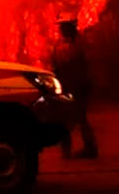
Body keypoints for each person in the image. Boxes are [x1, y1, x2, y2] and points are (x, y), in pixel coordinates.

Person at [52, 16, 99, 159]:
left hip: (79, 86)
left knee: (78, 118)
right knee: (67, 118)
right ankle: (71, 149)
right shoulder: (60, 43)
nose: (61, 30)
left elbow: (82, 64)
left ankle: (88, 149)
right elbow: (56, 63)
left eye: (63, 27)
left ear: (71, 27)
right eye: (60, 27)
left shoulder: (80, 43)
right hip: (65, 85)